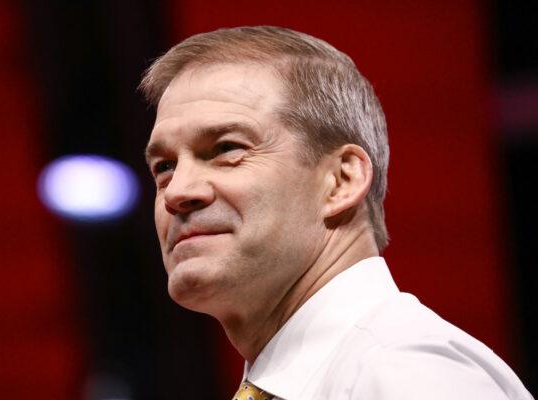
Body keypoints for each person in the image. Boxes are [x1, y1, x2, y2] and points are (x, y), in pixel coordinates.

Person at [140, 26, 533, 400]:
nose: (177, 191)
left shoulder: (406, 371)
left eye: (226, 148)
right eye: (164, 167)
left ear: (341, 180)